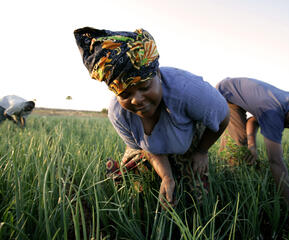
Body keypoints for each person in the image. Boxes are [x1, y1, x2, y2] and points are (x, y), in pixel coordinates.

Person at [74, 27, 230, 206]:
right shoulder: (118, 114)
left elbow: (224, 117)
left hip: (188, 133)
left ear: (157, 74)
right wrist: (167, 176)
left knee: (197, 196)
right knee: (138, 187)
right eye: (125, 94)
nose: (137, 100)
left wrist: (202, 151)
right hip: (150, 148)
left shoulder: (190, 92)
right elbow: (148, 149)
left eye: (144, 87)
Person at [216, 77, 289, 232]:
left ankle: (236, 179)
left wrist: (253, 146)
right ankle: (226, 191)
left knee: (246, 149)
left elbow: (253, 121)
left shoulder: (286, 102)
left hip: (233, 93)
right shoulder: (274, 110)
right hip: (225, 95)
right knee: (238, 148)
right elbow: (275, 162)